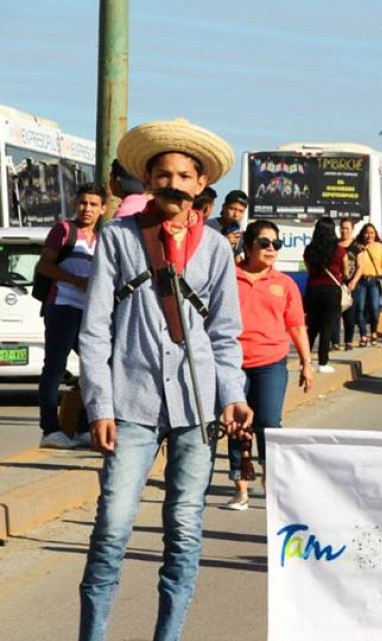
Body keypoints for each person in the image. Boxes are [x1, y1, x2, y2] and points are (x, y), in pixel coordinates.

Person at [78, 118, 253, 641]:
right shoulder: (118, 240)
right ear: (148, 181)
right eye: (163, 174)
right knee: (112, 527)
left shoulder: (219, 250)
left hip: (196, 411)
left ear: (200, 184)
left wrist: (233, 397)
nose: (173, 182)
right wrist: (99, 406)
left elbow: (225, 336)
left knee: (183, 529)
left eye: (184, 174)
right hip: (129, 404)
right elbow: (94, 332)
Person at [222, 220, 314, 510]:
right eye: (264, 243)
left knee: (269, 423)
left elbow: (297, 326)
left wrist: (307, 363)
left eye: (276, 244)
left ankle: (270, 480)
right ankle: (241, 487)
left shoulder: (284, 284)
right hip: (232, 363)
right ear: (248, 246)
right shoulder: (228, 278)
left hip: (271, 362)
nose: (271, 248)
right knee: (238, 425)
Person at [36, 182, 105, 449]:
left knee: (96, 366)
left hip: (89, 312)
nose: (86, 208)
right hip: (62, 306)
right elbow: (45, 265)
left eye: (93, 204)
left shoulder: (101, 239)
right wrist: (76, 281)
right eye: (83, 202)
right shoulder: (64, 231)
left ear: (102, 209)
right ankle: (50, 429)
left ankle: (85, 426)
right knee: (54, 367)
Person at [303, 217, 346, 373]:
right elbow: (345, 270)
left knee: (312, 327)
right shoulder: (339, 250)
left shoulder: (309, 250)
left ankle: (305, 360)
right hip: (332, 290)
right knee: (327, 326)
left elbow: (308, 269)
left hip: (313, 289)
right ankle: (323, 362)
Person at [345, 222, 382, 345]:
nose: (369, 235)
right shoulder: (357, 246)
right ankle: (363, 335)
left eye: (371, 233)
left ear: (375, 234)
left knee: (375, 308)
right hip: (360, 280)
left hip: (374, 281)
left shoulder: (380, 246)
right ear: (363, 234)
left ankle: (374, 332)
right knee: (359, 308)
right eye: (367, 233)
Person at [335, 217, 358, 350]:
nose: (344, 231)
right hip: (336, 282)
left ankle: (348, 341)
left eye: (347, 228)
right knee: (335, 313)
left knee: (350, 313)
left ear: (352, 230)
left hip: (351, 284)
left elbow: (360, 266)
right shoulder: (334, 245)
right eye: (342, 228)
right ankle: (335, 342)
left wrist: (354, 281)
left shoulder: (356, 246)